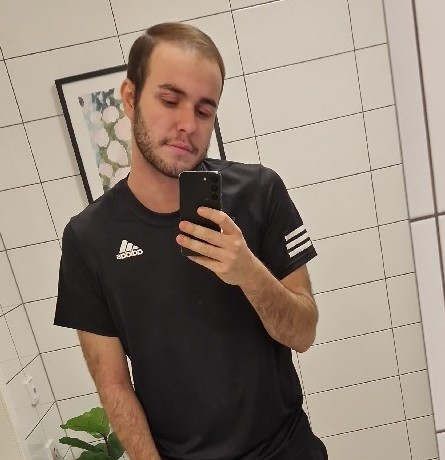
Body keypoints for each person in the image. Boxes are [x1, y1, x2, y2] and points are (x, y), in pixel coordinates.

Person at [54, 23, 327, 460]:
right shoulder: (88, 239)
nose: (187, 124)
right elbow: (114, 385)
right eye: (170, 100)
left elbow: (304, 332)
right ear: (130, 98)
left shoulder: (260, 191)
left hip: (287, 449)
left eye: (204, 110)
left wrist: (249, 273)